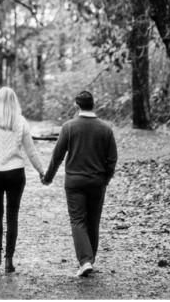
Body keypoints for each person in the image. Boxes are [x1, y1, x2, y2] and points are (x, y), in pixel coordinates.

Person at [42, 91, 117, 278]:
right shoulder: (105, 129)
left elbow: (57, 155)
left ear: (77, 105)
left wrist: (48, 177)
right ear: (94, 105)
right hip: (97, 182)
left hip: (74, 182)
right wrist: (105, 179)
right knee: (93, 221)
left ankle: (85, 261)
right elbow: (112, 159)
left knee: (77, 220)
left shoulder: (69, 127)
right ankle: (89, 260)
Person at [0, 86, 46, 274]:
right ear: (15, 102)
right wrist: (41, 171)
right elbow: (31, 151)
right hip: (15, 173)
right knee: (12, 216)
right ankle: (9, 261)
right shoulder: (20, 122)